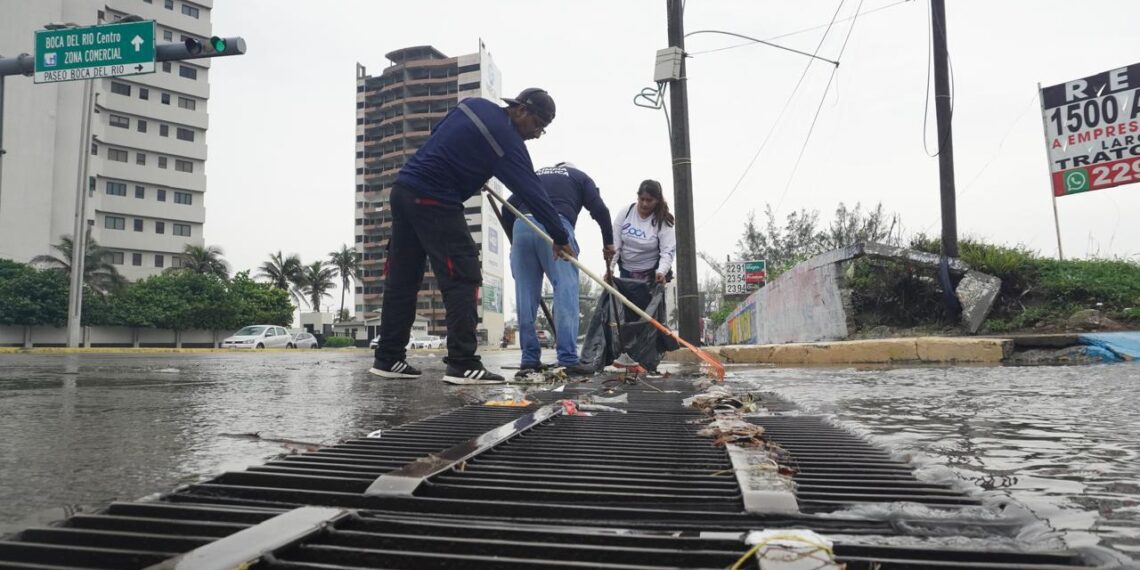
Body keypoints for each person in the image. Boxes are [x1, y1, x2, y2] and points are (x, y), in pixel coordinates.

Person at [370, 88, 576, 384]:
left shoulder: (473, 105)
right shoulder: (508, 142)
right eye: (538, 126)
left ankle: (388, 357)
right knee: (463, 276)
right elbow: (533, 192)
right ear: (521, 111)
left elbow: (443, 135)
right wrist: (559, 236)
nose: (536, 134)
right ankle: (463, 363)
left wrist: (472, 170)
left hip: (404, 190)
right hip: (434, 198)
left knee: (402, 278)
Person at [502, 162, 614, 378]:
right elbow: (600, 210)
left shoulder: (535, 174)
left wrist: (515, 242)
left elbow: (507, 208)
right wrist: (608, 243)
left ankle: (529, 360)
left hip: (522, 227)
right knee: (565, 292)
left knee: (525, 297)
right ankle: (568, 359)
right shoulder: (581, 177)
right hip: (556, 228)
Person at [612, 179, 676, 283]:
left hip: (651, 275)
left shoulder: (662, 221)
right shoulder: (626, 212)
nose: (644, 204)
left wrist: (661, 271)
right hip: (625, 271)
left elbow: (667, 251)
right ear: (637, 197)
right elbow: (615, 244)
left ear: (657, 200)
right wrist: (610, 268)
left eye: (649, 200)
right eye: (642, 199)